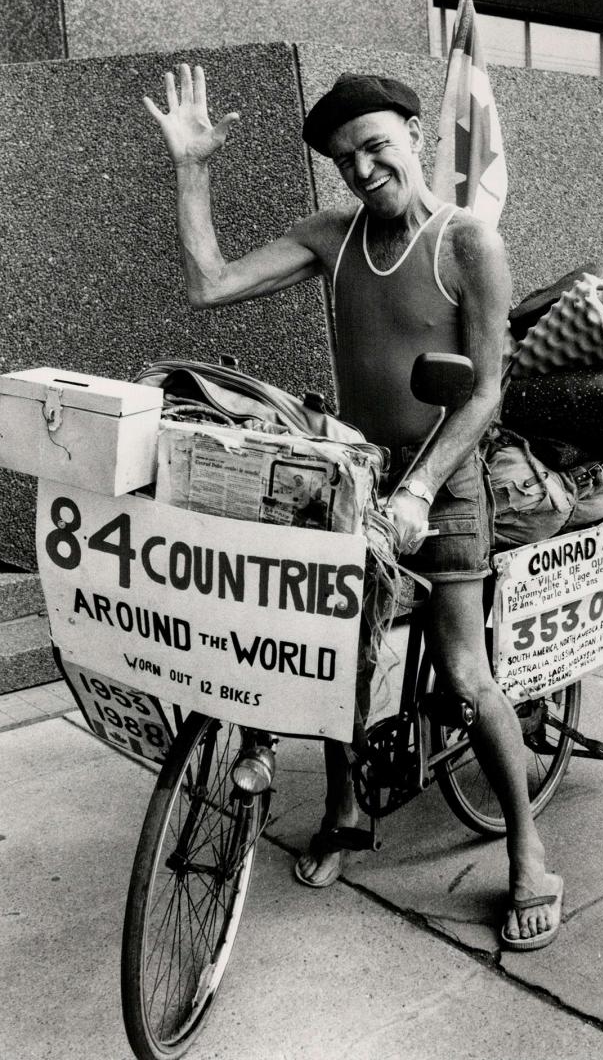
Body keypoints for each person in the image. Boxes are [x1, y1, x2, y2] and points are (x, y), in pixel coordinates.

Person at [144, 64, 564, 950]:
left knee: (461, 673)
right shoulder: (332, 237)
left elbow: (486, 390)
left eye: (374, 146)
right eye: (344, 160)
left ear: (412, 135)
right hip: (358, 476)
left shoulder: (466, 242)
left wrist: (418, 490)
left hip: (441, 479)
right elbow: (209, 286)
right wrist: (191, 169)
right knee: (327, 647)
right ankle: (344, 811)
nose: (362, 170)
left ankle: (527, 852)